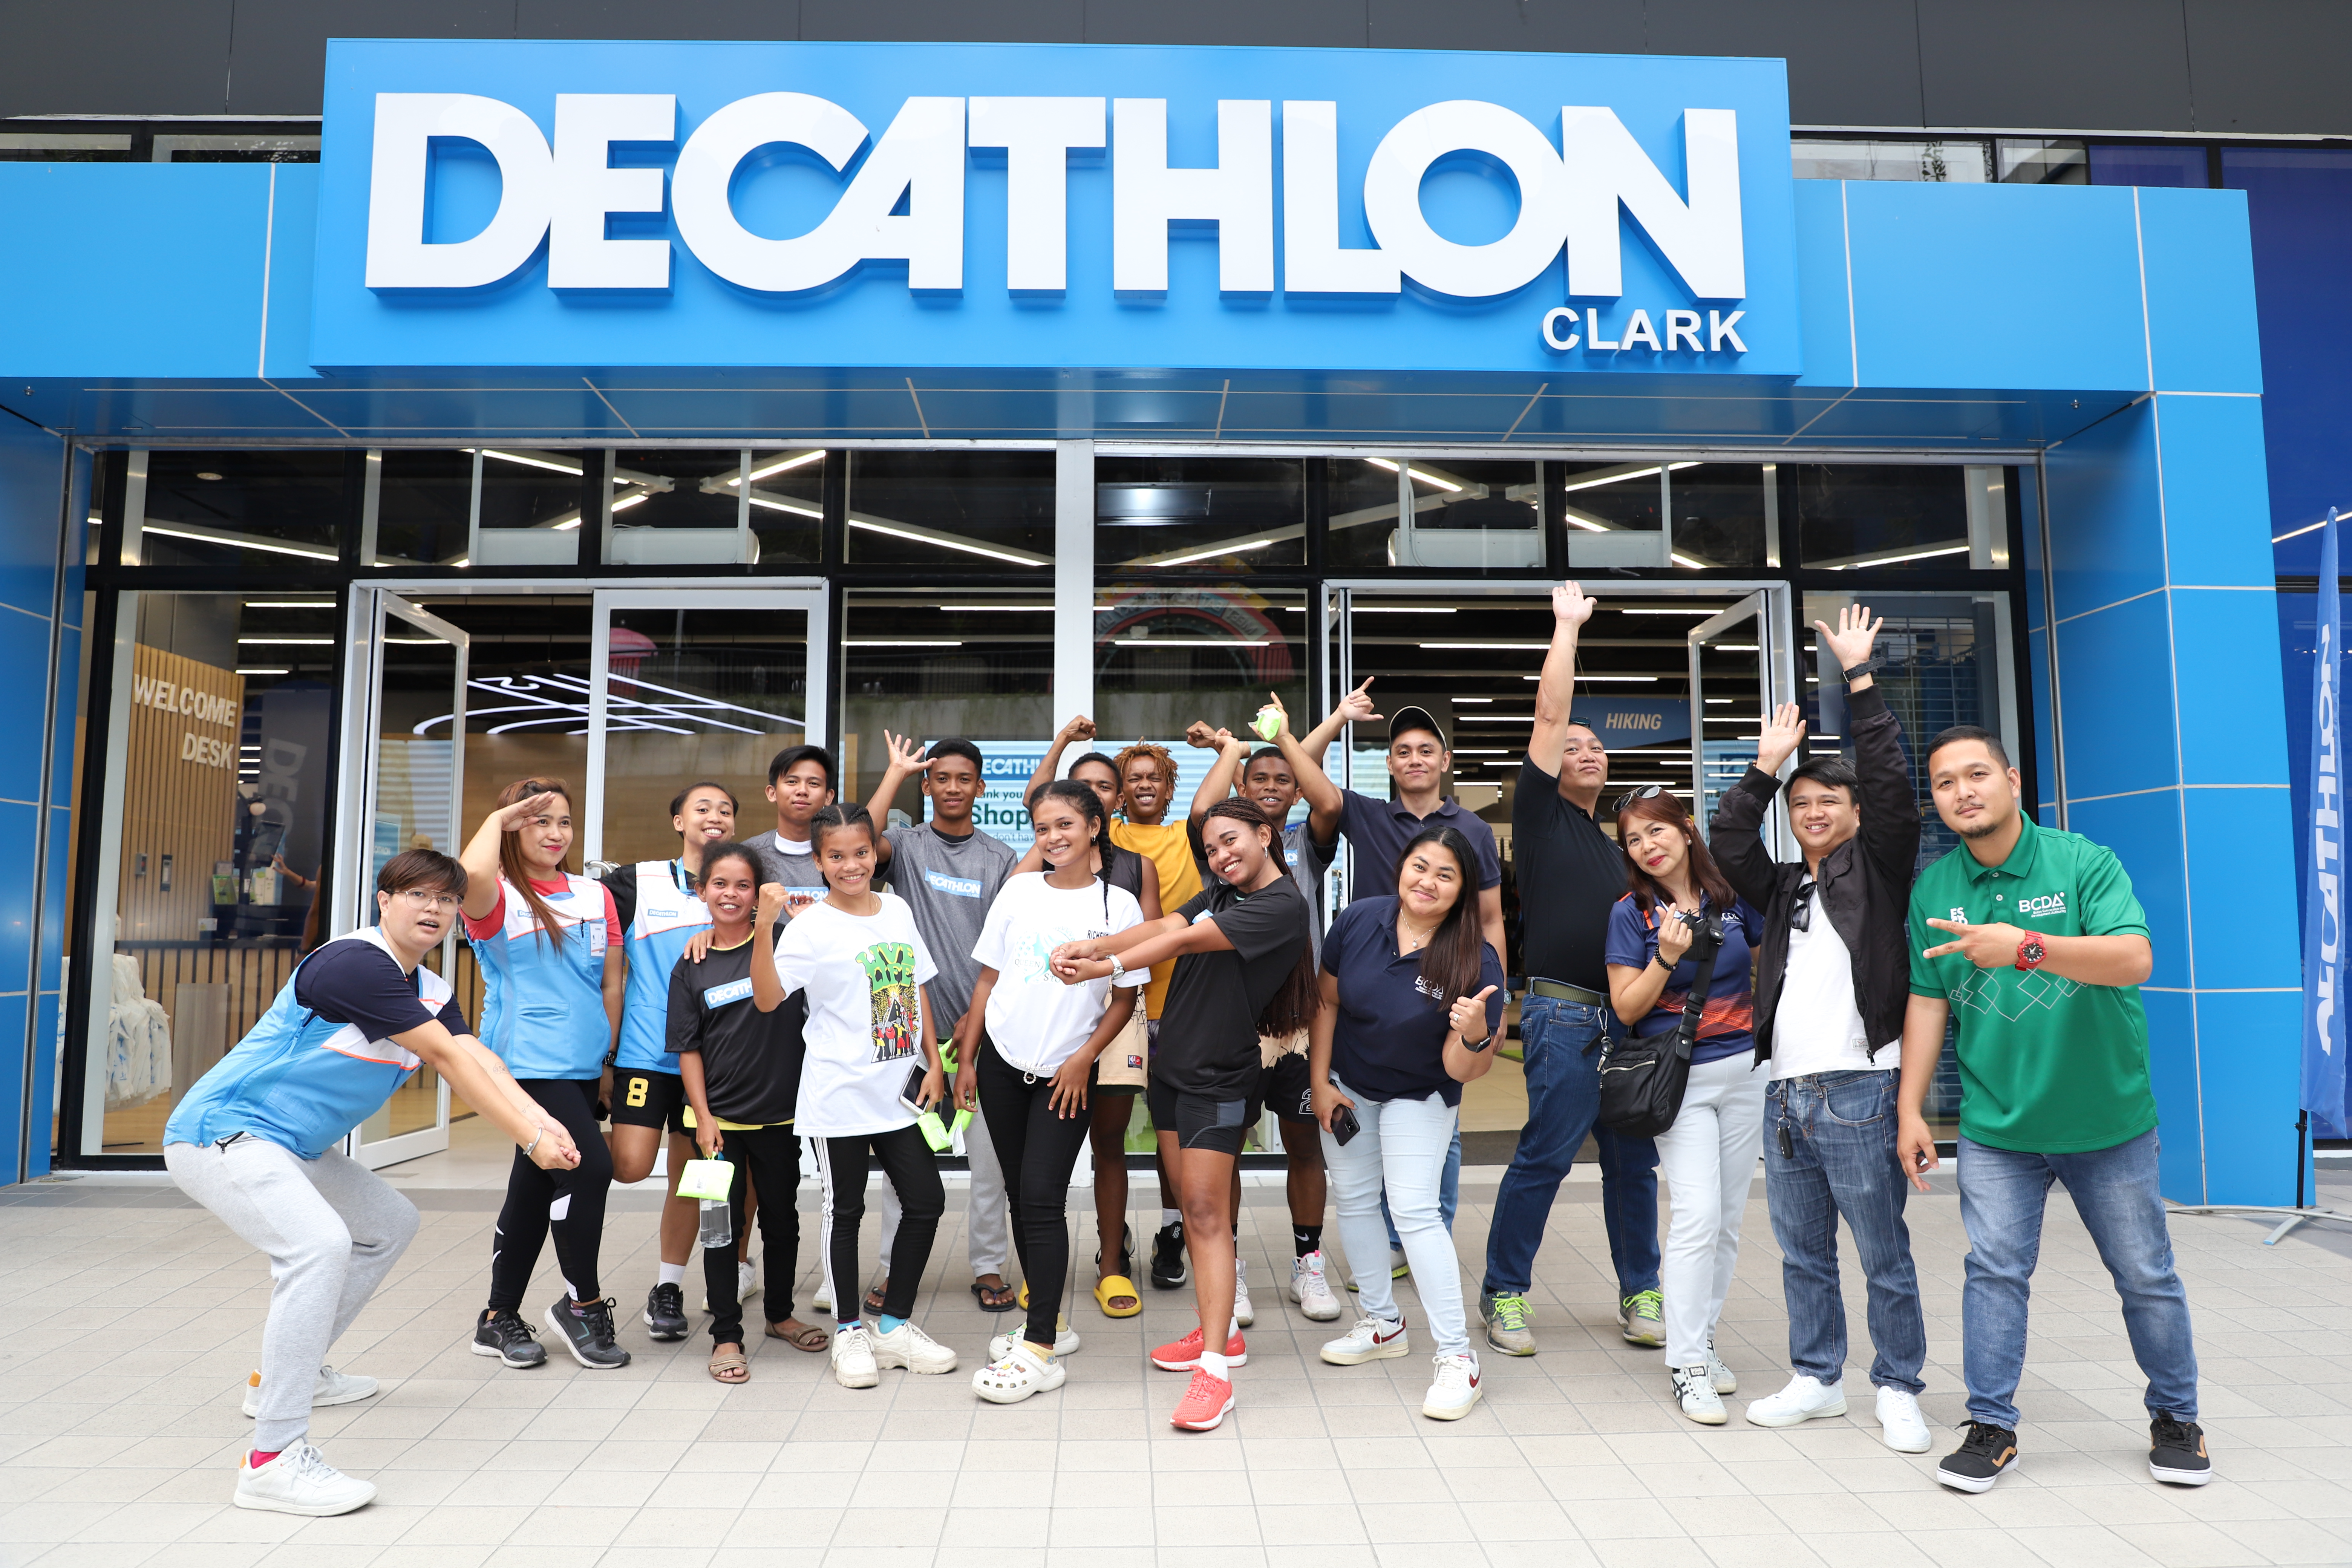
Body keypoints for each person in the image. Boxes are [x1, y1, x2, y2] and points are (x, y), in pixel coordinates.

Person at [165, 850, 582, 1517]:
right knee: (319, 1247)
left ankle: (282, 1378)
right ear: (384, 901)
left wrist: (543, 1121)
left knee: (388, 1222)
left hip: (292, 1147)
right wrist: (529, 1140)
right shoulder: (354, 964)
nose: (434, 910)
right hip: (224, 1133)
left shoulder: (432, 989)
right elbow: (446, 1058)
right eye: (417, 894)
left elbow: (480, 1059)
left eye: (447, 901)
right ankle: (272, 1462)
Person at [1898, 726, 2208, 1493]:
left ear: (2009, 778)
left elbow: (2135, 958)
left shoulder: (2081, 862)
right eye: (1944, 783)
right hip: (1998, 1126)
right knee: (1994, 1273)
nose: (1962, 791)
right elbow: (1927, 1002)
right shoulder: (1935, 888)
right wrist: (1911, 1109)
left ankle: (2177, 1416)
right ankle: (1991, 1426)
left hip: (2107, 1120)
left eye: (1977, 774)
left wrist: (2027, 945)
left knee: (2144, 1274)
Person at [1710, 607, 1931, 1453]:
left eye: (1826, 801)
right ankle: (1818, 1376)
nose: (1811, 811)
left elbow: (1888, 786)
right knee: (1803, 1252)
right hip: (1787, 1093)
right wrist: (1766, 768)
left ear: (1854, 813)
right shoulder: (1782, 888)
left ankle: (1900, 1385)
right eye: (1800, 803)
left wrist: (1861, 679)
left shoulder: (1878, 866)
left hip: (1860, 1088)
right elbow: (1727, 837)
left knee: (1882, 1252)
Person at [1050, 798, 1315, 1432]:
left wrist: (1106, 964)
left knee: (1204, 1215)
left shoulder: (1283, 906)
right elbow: (1163, 922)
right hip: (1174, 1071)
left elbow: (1185, 940)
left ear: (1265, 834)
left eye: (1232, 841)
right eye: (1213, 848)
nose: (1222, 856)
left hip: (1218, 1077)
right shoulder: (1221, 892)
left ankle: (1216, 1375)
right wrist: (1096, 943)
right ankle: (1217, 1332)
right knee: (1201, 1218)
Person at [1482, 582, 1664, 1357]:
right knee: (1547, 1155)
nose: (1587, 753)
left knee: (1633, 1164)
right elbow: (1551, 715)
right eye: (1575, 748)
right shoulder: (1542, 814)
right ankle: (1504, 1293)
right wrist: (1566, 628)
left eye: (1600, 749)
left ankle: (1641, 1290)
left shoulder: (1621, 848)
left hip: (1631, 1018)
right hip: (1564, 1018)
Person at [1309, 824, 1505, 1421]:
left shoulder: (1477, 959)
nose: (1429, 882)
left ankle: (1457, 1358)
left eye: (1446, 875)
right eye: (1421, 867)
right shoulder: (1361, 919)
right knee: (1356, 1199)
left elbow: (1462, 1068)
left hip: (1421, 1094)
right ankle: (1382, 1324)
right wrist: (1320, 1082)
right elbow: (1328, 1001)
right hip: (1350, 1084)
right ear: (1402, 867)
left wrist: (1473, 1031)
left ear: (1464, 890)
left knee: (1415, 1210)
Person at [962, 780, 1148, 1402]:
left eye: (1066, 824)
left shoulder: (1118, 907)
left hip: (1067, 1076)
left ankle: (1039, 1347)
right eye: (1043, 828)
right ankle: (1051, 1321)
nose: (1054, 837)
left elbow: (1126, 997)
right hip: (1001, 1064)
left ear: (1095, 827)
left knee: (1042, 1196)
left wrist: (1084, 1061)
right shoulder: (1018, 891)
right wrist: (969, 1058)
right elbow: (989, 978)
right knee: (1021, 1194)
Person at [773, 802, 961, 1389]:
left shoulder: (898, 908)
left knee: (926, 1200)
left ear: (874, 850)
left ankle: (894, 1326)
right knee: (845, 1210)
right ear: (819, 861)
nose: (851, 865)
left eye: (861, 852)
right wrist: (762, 926)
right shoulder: (810, 927)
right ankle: (850, 1332)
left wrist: (934, 1063)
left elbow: (915, 986)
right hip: (839, 1094)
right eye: (837, 856)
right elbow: (762, 998)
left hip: (898, 1091)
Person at [1604, 786, 1765, 1425]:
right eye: (1634, 840)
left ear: (1687, 829)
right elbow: (1626, 1009)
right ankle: (1687, 1363)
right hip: (1683, 1081)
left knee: (1726, 1221)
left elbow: (1766, 965)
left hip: (1748, 1073)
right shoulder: (1630, 914)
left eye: (1656, 831)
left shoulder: (1730, 895)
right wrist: (1667, 958)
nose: (1647, 847)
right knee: (1697, 1215)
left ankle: (1704, 1338)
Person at [460, 779, 629, 1371]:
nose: (556, 833)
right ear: (512, 829)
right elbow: (468, 869)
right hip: (526, 1063)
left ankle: (497, 1318)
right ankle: (582, 1304)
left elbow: (610, 981)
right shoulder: (494, 897)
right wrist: (499, 818)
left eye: (563, 821)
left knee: (533, 1189)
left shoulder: (593, 895)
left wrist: (607, 1060)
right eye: (539, 822)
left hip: (583, 1062)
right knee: (587, 1168)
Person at [1027, 718, 1198, 1297]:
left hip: (1123, 1012)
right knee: (1048, 1146)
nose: (1092, 794)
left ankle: (1111, 1261)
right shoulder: (1043, 866)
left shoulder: (1134, 866)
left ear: (1109, 806)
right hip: (1052, 1016)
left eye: (1104, 787)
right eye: (1081, 787)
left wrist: (1103, 965)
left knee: (1111, 1141)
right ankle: (1056, 1258)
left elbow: (1149, 939)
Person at [1186, 700, 1344, 1324]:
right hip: (1235, 1023)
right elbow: (1204, 811)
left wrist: (1288, 738)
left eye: (1286, 780)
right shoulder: (1223, 853)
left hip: (1299, 1021)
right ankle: (1232, 1268)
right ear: (1243, 793)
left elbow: (1329, 803)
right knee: (1228, 1148)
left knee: (1305, 1143)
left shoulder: (1309, 845)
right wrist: (1230, 750)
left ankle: (1309, 1261)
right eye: (1262, 780)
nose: (1275, 788)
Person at [864, 733, 1020, 1315]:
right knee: (905, 1165)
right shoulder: (903, 845)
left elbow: (1004, 949)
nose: (953, 788)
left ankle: (987, 1266)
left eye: (964, 779)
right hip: (905, 1029)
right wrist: (895, 775)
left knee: (989, 1164)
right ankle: (889, 1268)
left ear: (981, 787)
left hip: (979, 1031)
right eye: (941, 778)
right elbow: (859, 837)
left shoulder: (1000, 857)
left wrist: (975, 1026)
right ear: (926, 786)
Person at [672, 846, 826, 1382]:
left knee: (783, 1221)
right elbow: (687, 1047)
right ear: (702, 892)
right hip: (718, 1125)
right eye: (720, 884)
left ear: (760, 893)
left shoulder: (787, 946)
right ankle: (726, 1336)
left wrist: (789, 917)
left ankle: (780, 1315)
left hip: (783, 1117)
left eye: (742, 885)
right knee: (721, 1230)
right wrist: (703, 1116)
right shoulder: (692, 962)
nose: (730, 895)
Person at [603, 780, 737, 1344]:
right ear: (678, 820)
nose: (715, 817)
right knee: (631, 1165)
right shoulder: (634, 883)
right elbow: (602, 964)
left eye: (726, 810)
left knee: (690, 1179)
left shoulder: (737, 887)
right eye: (702, 808)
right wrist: (602, 1061)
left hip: (706, 1063)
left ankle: (669, 1288)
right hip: (642, 1054)